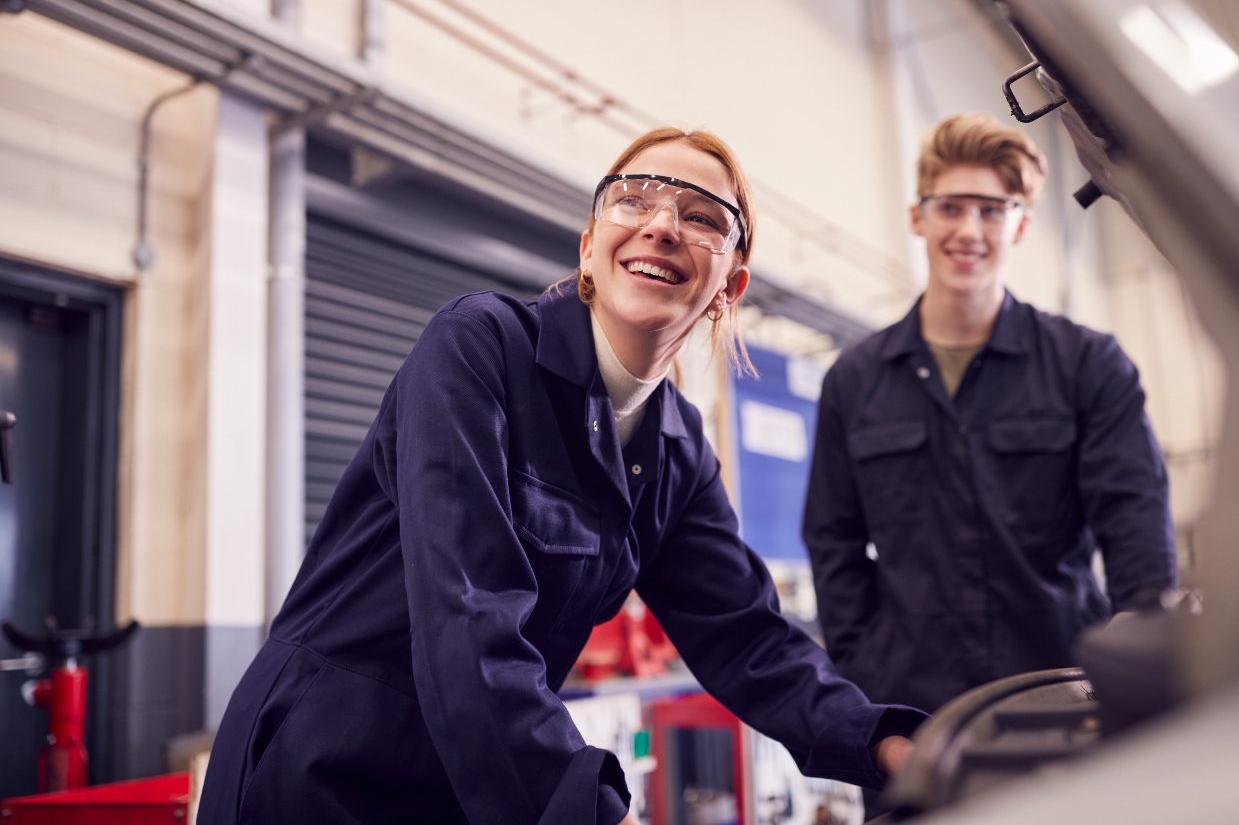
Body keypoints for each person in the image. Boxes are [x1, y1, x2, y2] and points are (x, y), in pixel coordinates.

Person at [199, 127, 927, 825]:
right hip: (322, 767)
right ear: (588, 248)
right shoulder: (479, 347)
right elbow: (467, 614)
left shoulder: (677, 450)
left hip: (469, 786)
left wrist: (892, 745)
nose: (662, 225)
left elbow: (750, 641)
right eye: (634, 199)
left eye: (703, 216)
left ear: (728, 286)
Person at [802, 112, 1178, 716]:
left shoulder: (1087, 365)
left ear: (1021, 224)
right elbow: (832, 541)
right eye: (950, 208)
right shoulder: (855, 380)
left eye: (991, 210)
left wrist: (1138, 662)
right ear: (917, 217)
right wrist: (862, 664)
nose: (969, 230)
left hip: (1068, 698)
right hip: (912, 714)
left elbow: (1136, 524)